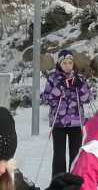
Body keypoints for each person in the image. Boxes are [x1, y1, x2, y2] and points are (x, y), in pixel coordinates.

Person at [40, 50, 93, 180]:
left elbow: (87, 98)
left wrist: (80, 86)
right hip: (59, 122)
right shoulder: (53, 78)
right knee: (59, 155)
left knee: (75, 155)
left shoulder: (79, 78)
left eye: (70, 62)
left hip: (76, 123)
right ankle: (58, 182)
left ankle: (74, 181)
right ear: (60, 63)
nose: (68, 65)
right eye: (65, 63)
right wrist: (60, 88)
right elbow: (46, 98)